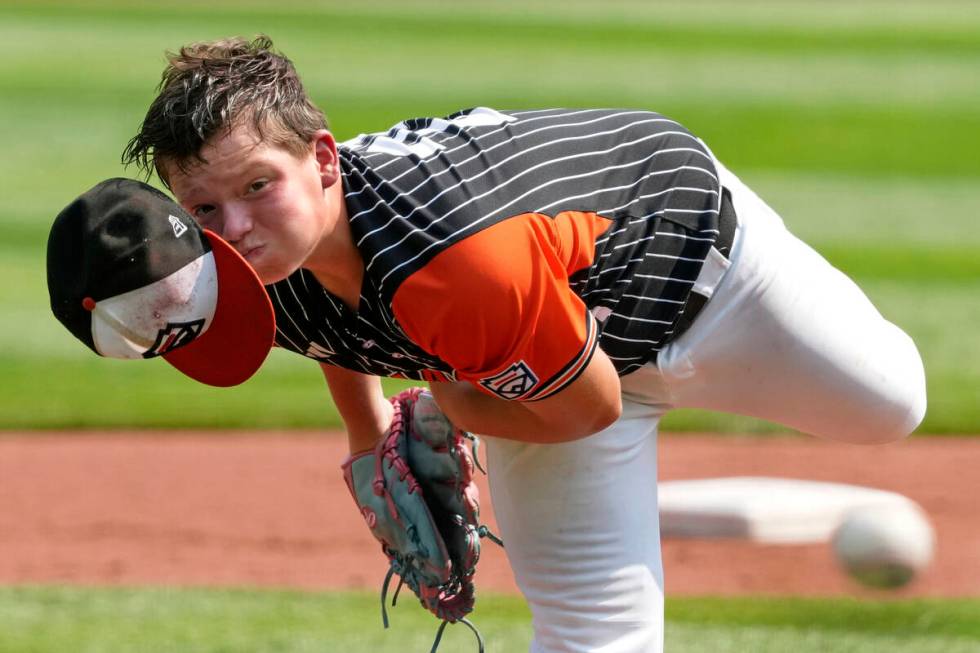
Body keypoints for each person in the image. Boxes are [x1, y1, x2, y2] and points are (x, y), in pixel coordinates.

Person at [118, 36, 926, 653]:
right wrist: (368, 440)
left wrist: (447, 405)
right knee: (589, 633)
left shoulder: (455, 262)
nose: (239, 226)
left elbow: (592, 405)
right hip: (539, 355)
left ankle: (595, 455)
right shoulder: (255, 257)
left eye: (258, 185)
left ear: (323, 159)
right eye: (207, 207)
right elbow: (336, 324)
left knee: (892, 404)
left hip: (702, 273)